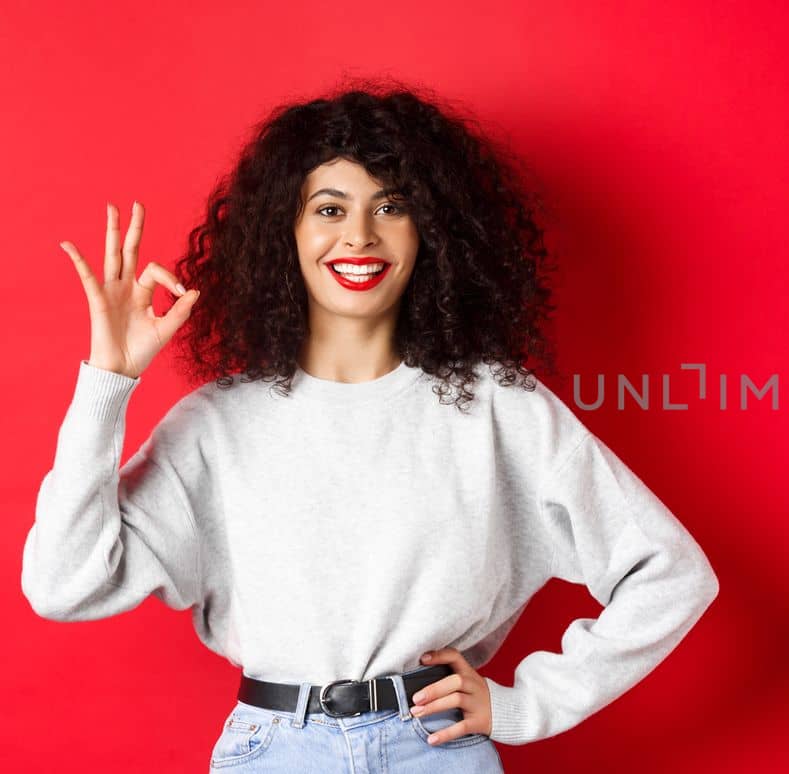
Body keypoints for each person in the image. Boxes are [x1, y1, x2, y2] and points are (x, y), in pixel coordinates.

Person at [21, 82, 720, 772]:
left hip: (436, 750)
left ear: (431, 233)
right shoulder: (217, 427)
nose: (359, 234)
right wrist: (106, 382)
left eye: (391, 206)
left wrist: (527, 704)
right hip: (274, 753)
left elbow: (671, 573)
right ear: (284, 233)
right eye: (329, 208)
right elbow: (65, 584)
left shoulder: (499, 408)